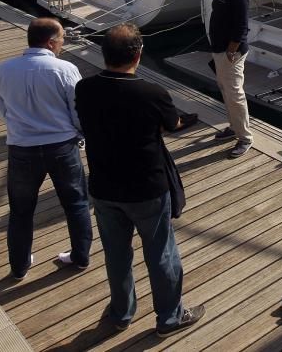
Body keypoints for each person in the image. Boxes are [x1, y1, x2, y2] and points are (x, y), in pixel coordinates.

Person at [74, 24, 203, 337]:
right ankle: (169, 317)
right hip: (146, 188)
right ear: (138, 54)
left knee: (116, 254)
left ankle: (121, 312)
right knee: (161, 253)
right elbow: (172, 125)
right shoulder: (152, 92)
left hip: (104, 186)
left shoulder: (85, 88)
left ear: (104, 54)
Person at [0, 18, 92, 281]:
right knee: (76, 204)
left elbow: (2, 107)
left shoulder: (4, 69)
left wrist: (19, 129)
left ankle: (19, 265)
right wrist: (79, 134)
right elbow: (78, 109)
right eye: (61, 39)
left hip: (22, 148)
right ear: (51, 42)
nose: (63, 44)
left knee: (21, 211)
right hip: (62, 147)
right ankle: (81, 256)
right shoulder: (66, 69)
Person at [207, 0, 252, 159]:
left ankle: (245, 137)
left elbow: (242, 27)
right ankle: (234, 127)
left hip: (230, 54)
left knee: (235, 94)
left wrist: (230, 53)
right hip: (219, 51)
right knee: (225, 89)